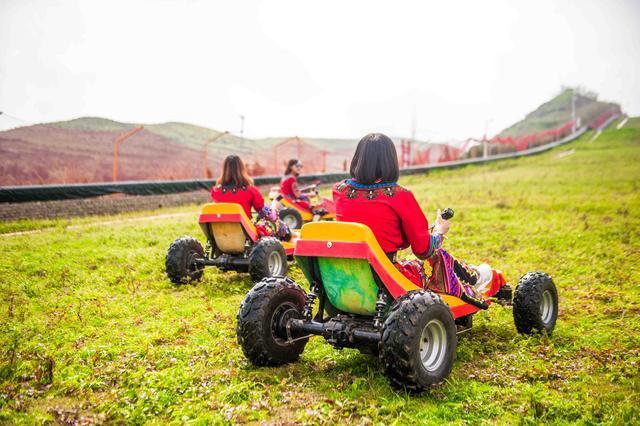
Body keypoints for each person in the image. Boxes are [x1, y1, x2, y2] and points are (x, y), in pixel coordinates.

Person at [332, 133, 491, 308]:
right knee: (437, 256)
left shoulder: (339, 190)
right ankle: (474, 278)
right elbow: (423, 250)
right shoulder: (400, 195)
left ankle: (474, 276)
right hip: (387, 280)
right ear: (390, 161)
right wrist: (439, 231)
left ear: (358, 158)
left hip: (344, 275)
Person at [211, 155, 290, 241]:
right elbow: (263, 211)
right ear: (242, 169)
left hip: (221, 232)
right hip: (245, 233)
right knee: (272, 221)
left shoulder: (215, 191)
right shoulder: (250, 190)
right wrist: (274, 213)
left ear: (224, 169)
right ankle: (286, 232)